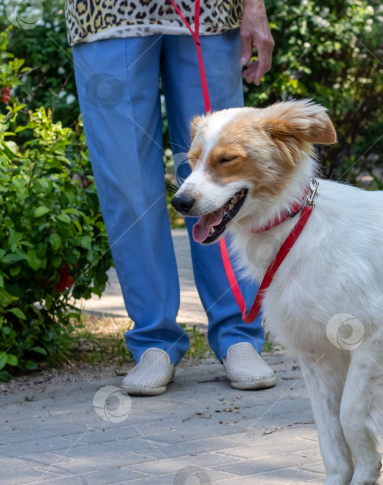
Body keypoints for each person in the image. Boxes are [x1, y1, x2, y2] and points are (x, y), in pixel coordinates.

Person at [65, 0, 277, 395]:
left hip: (207, 12)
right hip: (107, 14)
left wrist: (253, 5)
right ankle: (153, 341)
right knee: (126, 181)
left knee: (219, 170)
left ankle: (238, 335)